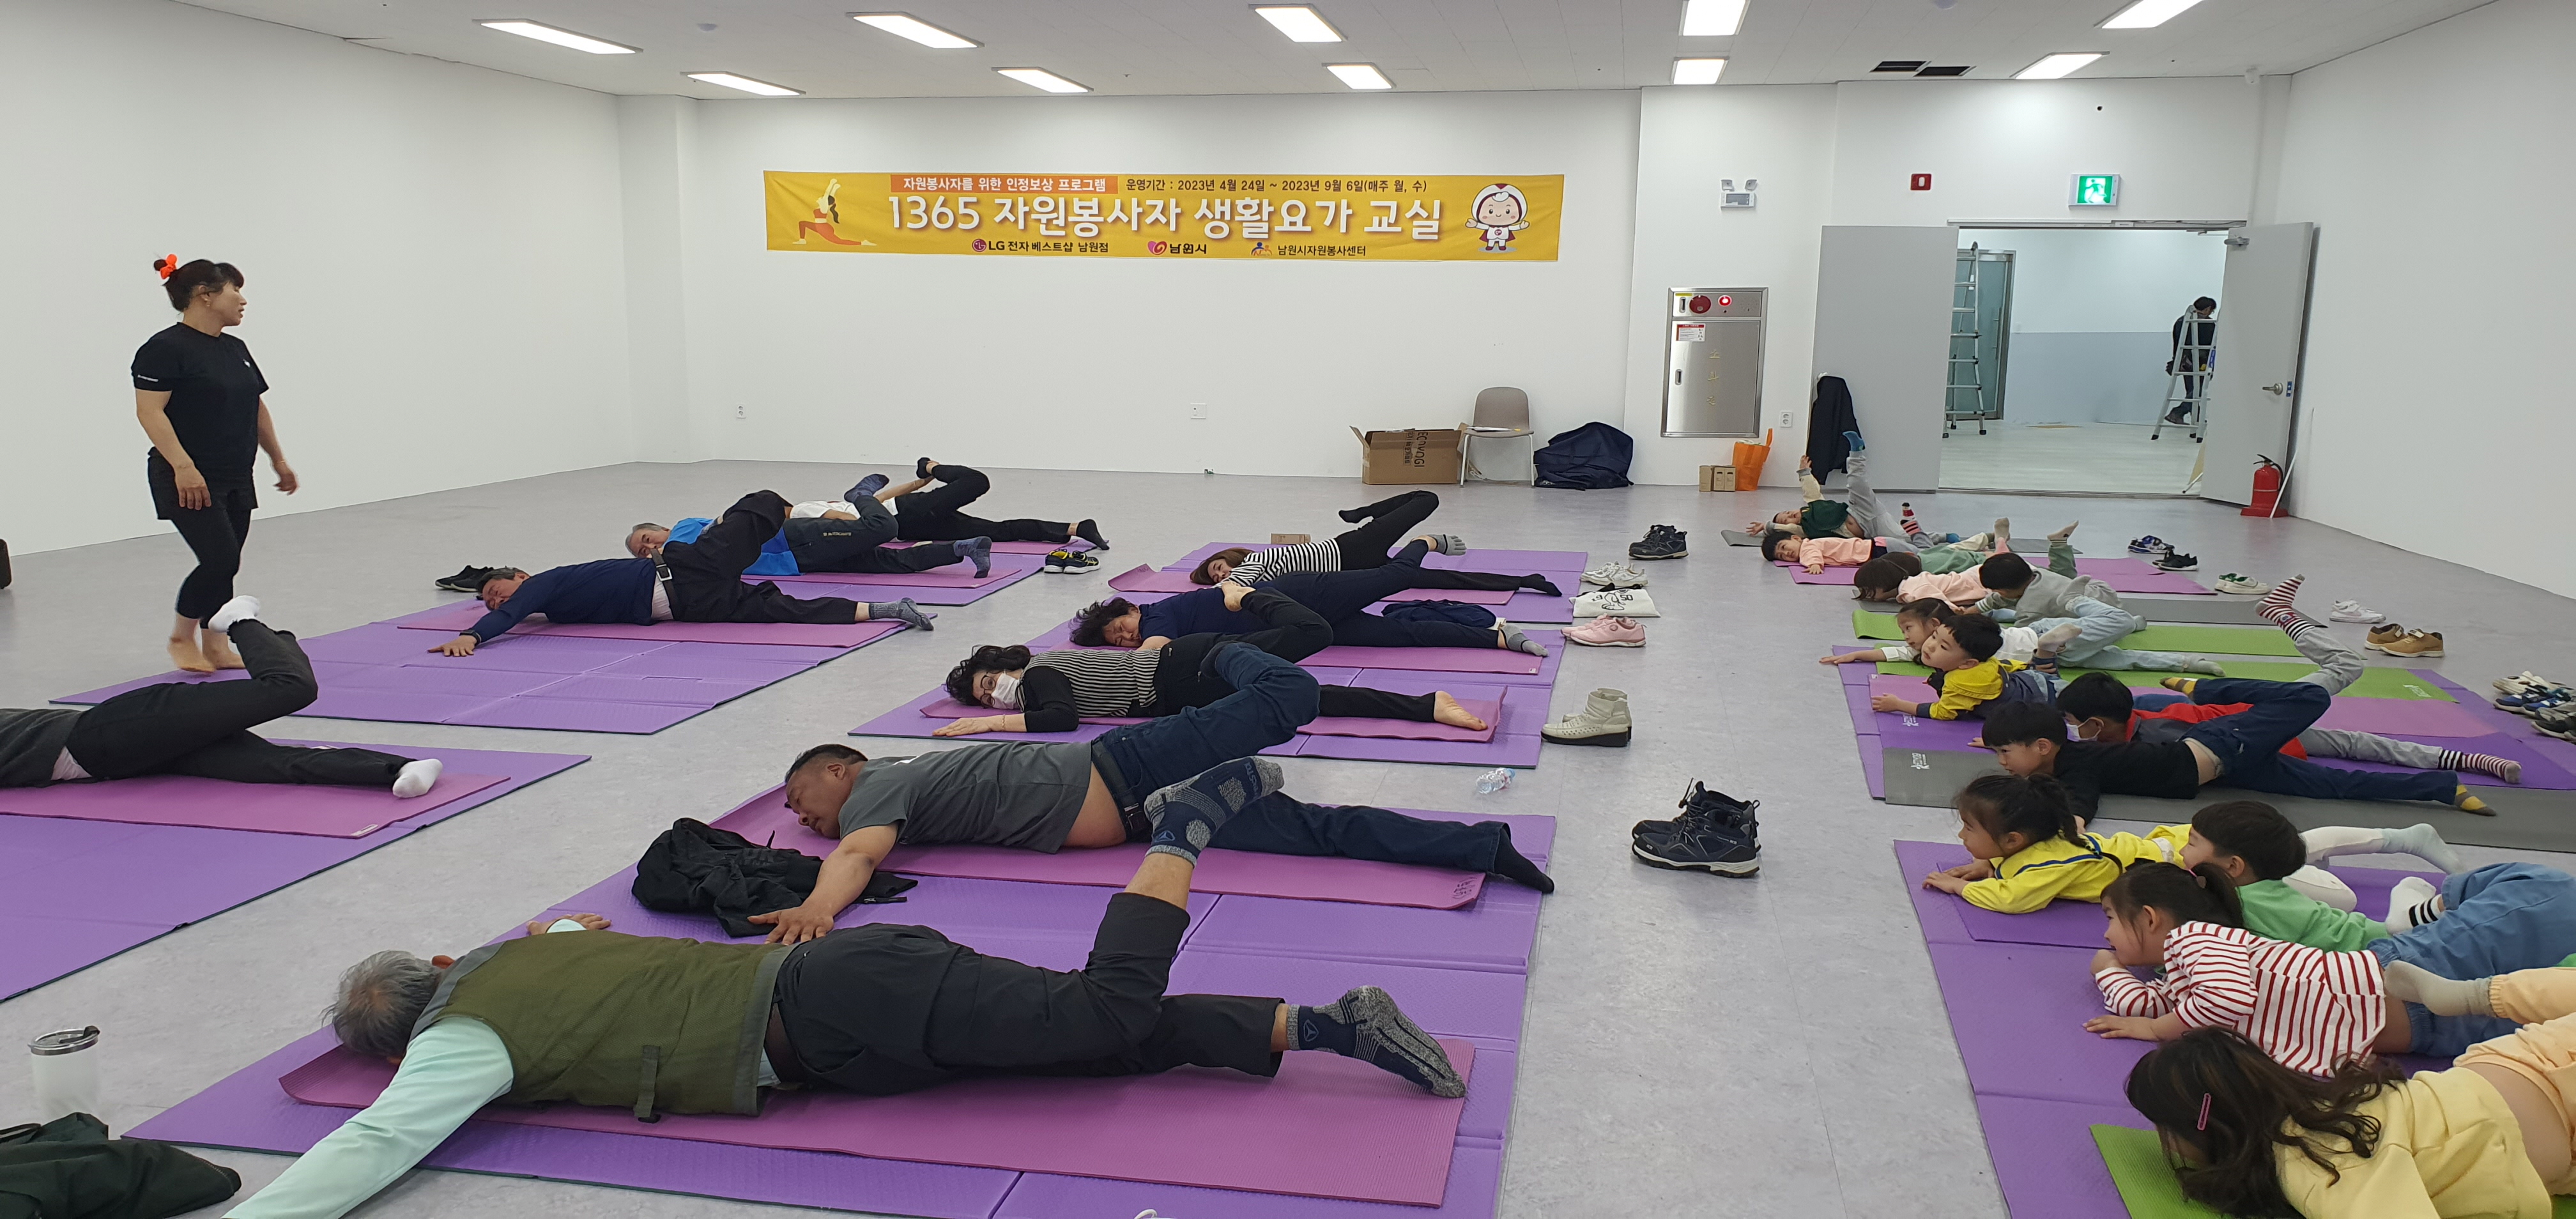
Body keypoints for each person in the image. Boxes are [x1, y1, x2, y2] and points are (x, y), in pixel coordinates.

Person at [220, 764, 1466, 1219]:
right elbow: (570, 926)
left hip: (838, 1012)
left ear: (409, 1036)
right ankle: (1331, 1023)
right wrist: (562, 938)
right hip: (851, 999)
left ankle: (1182, 831)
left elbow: (374, 1141)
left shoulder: (461, 1042)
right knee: (1091, 1044)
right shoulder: (516, 952)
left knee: (1102, 1013)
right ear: (437, 967)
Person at [754, 643, 1552, 945]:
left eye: (797, 796)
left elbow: (859, 854)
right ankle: (1481, 844)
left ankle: (1228, 648)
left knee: (1291, 697)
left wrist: (820, 908)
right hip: (1159, 822)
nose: (796, 814)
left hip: (1125, 768)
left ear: (841, 769)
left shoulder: (877, 787)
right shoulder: (889, 788)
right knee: (1323, 832)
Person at [2183, 800, 2576, 1057]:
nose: (2183, 852)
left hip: (2384, 952)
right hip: (2391, 968)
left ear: (2233, 866)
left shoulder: (2245, 908)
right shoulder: (2245, 903)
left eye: (2191, 843)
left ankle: (2418, 905)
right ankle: (2422, 901)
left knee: (2402, 923)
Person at [0, 595, 440, 795]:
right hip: (117, 763)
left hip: (107, 731)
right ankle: (400, 769)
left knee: (291, 688)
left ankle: (241, 622)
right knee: (272, 766)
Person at [2124, 1023, 2563, 1218]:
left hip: (2544, 1079)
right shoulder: (2316, 1107)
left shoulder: (2315, 1163)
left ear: (2203, 1125)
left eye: (2162, 1128)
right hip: (2528, 1065)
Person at [937, 584, 1491, 737]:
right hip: (1185, 690)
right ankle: (1426, 706)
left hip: (1190, 667)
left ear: (1007, 667)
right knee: (1307, 698)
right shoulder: (1039, 681)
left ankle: (1246, 594)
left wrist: (990, 723)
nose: (991, 695)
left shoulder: (1041, 673)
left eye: (989, 683)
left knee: (1313, 633)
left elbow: (1061, 718)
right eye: (983, 697)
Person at [434, 491, 935, 656]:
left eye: (496, 590)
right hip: (690, 605)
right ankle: (886, 609)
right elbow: (513, 614)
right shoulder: (546, 606)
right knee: (781, 609)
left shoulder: (544, 584)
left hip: (682, 571)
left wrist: (472, 635)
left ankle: (805, 515)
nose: (497, 601)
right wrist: (477, 628)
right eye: (489, 601)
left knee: (760, 505)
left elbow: (512, 614)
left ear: (520, 576)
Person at [1978, 684, 2487, 827]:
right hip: (2223, 773)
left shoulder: (2078, 759)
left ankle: (2205, 685)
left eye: (2005, 753)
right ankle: (2442, 788)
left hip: (2220, 745)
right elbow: (2074, 791)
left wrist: (2071, 825)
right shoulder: (2063, 760)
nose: (2002, 762)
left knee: (2310, 698)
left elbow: (2082, 798)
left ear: (2042, 747)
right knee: (2335, 785)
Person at [134, 257, 297, 675]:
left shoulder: (235, 349)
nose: (242, 300)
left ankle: (216, 645)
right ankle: (181, 638)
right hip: (187, 475)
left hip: (234, 473)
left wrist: (277, 458)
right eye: (234, 290)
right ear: (204, 296)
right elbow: (150, 412)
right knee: (219, 560)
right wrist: (183, 467)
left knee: (228, 563)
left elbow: (255, 406)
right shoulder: (164, 348)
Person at [2085, 861, 2409, 1070]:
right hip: (2403, 1022)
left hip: (2395, 983)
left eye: (2111, 918)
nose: (2106, 934)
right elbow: (2144, 1006)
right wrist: (2108, 968)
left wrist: (2156, 1030)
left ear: (2149, 918)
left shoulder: (2194, 938)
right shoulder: (2185, 975)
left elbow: (2227, 1000)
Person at [1076, 540, 1552, 657]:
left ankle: (1423, 541)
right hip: (1304, 626)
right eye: (1116, 641)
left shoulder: (1158, 617)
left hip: (1301, 593)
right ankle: (1498, 639)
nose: (1125, 639)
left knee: (1397, 575)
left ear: (1132, 610)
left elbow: (1151, 653)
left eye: (1120, 630)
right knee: (1398, 636)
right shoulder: (1154, 623)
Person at [625, 477, 993, 579]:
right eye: (642, 552)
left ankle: (860, 495)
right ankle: (963, 548)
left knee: (882, 528)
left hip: (792, 539)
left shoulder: (684, 531)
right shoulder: (679, 561)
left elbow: (682, 554)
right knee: (888, 563)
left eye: (647, 539)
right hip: (799, 562)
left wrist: (660, 558)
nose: (649, 549)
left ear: (660, 529)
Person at [1916, 772, 2186, 912]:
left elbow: (2011, 899)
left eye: (1968, 828)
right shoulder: (2035, 838)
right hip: (2154, 849)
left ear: (2013, 840)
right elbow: (2010, 856)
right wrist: (1987, 862)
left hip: (2175, 865)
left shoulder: (2048, 865)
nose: (1962, 836)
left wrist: (1959, 887)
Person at [1973, 549, 2222, 675]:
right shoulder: (2034, 576)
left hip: (2063, 625)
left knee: (2120, 621)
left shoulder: (2029, 606)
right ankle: (2185, 663)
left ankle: (2075, 601)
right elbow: (2002, 602)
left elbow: (2021, 627)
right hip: (2061, 650)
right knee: (2122, 660)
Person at [882, 459, 1107, 549]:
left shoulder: (859, 505)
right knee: (998, 532)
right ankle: (1076, 528)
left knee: (976, 481)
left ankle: (930, 465)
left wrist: (918, 483)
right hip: (911, 530)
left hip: (908, 509)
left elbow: (880, 500)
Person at [2165, 296, 2216, 425]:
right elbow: (2210, 344)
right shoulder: (2206, 324)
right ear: (2208, 309)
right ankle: (2178, 412)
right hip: (2201, 362)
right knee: (2199, 389)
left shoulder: (2182, 320)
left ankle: (2196, 416)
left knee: (2192, 389)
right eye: (2211, 311)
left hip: (2184, 361)